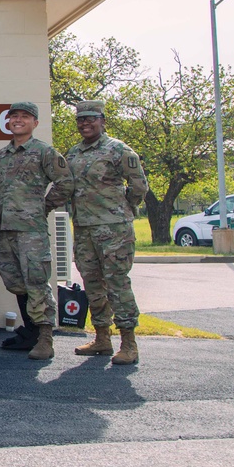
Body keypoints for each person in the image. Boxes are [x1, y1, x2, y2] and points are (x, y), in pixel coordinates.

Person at [65, 100, 148, 365]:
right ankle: (102, 338)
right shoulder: (74, 153)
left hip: (114, 230)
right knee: (92, 285)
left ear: (103, 121)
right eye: (81, 120)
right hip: (84, 229)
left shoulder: (118, 149)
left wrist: (123, 208)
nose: (86, 124)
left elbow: (139, 185)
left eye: (91, 119)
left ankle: (129, 342)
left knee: (117, 284)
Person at [0, 102, 74, 360]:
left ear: (35, 123)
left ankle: (46, 339)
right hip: (6, 230)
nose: (18, 120)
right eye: (14, 116)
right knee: (16, 282)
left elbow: (66, 182)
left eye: (24, 117)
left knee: (37, 282)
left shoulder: (44, 152)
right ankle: (30, 333)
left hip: (31, 232)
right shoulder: (0, 157)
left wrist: (43, 206)